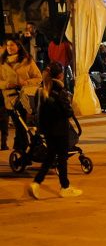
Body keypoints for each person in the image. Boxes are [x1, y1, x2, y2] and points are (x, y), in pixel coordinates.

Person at [28, 62, 82, 199]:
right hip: (60, 129)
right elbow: (68, 111)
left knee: (50, 157)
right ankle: (65, 187)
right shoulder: (60, 90)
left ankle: (36, 182)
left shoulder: (41, 89)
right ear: (60, 75)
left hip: (47, 129)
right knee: (62, 158)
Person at [0, 38, 42, 152]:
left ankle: (21, 149)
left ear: (18, 46)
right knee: (19, 124)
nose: (9, 47)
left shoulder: (27, 60)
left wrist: (26, 83)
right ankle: (21, 149)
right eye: (7, 45)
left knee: (21, 125)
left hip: (26, 96)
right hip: (10, 97)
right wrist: (8, 84)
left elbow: (38, 77)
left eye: (12, 45)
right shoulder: (2, 62)